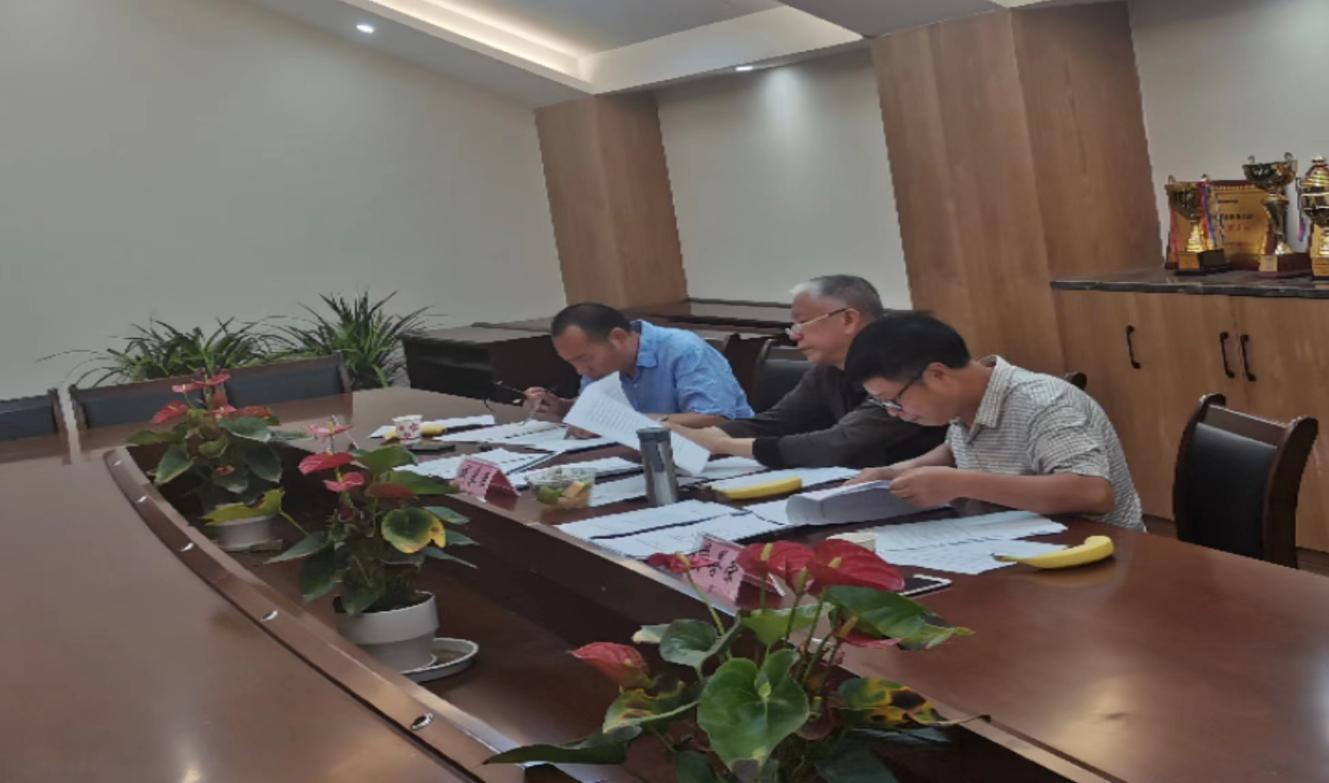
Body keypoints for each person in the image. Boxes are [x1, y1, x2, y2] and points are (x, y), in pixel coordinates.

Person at [843, 312, 1144, 530]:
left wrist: (959, 483)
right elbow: (956, 450)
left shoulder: (1043, 403)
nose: (892, 412)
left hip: (1094, 552)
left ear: (938, 375)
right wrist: (893, 472)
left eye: (893, 399)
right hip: (1012, 542)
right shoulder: (966, 401)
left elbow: (1092, 493)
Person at [669, 275, 945, 468]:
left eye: (802, 323)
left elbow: (836, 444)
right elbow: (776, 423)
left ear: (848, 319)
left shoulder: (902, 366)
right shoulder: (827, 370)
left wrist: (720, 444)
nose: (795, 336)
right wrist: (700, 435)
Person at [523, 302, 753, 428]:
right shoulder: (601, 364)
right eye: (571, 362)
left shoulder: (683, 349)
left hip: (719, 456)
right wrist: (562, 408)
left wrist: (623, 423)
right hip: (642, 458)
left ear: (618, 337)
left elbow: (715, 418)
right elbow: (598, 410)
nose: (581, 371)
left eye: (584, 359)